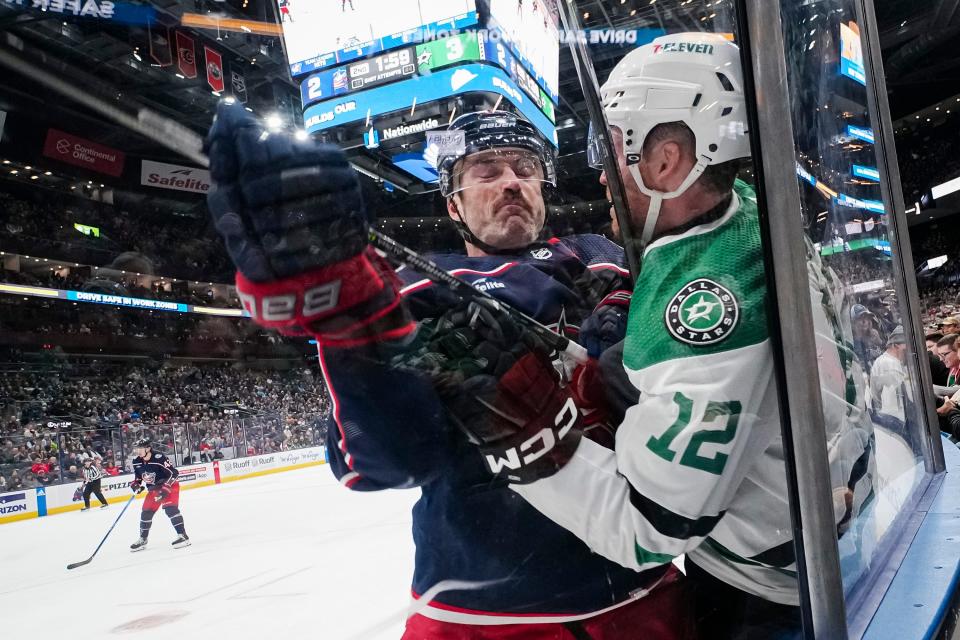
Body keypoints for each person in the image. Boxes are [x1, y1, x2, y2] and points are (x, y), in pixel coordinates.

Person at [206, 104, 694, 638]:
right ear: (453, 203)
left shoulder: (605, 255)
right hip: (481, 616)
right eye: (486, 170)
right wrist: (353, 324)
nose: (511, 183)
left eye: (524, 168)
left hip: (641, 590)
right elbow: (383, 463)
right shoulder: (413, 289)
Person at [501, 32, 875, 638]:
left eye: (612, 149)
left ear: (667, 160)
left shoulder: (712, 301)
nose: (601, 175)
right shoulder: (747, 210)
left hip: (769, 592)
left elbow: (647, 529)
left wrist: (520, 441)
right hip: (809, 530)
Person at [128, 437, 190, 551]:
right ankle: (143, 540)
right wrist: (135, 485)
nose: (137, 451)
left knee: (170, 510)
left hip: (169, 486)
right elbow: (138, 478)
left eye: (139, 448)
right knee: (146, 513)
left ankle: (183, 536)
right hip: (153, 489)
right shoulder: (136, 461)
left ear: (148, 448)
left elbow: (174, 473)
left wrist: (166, 489)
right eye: (136, 449)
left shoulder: (159, 458)